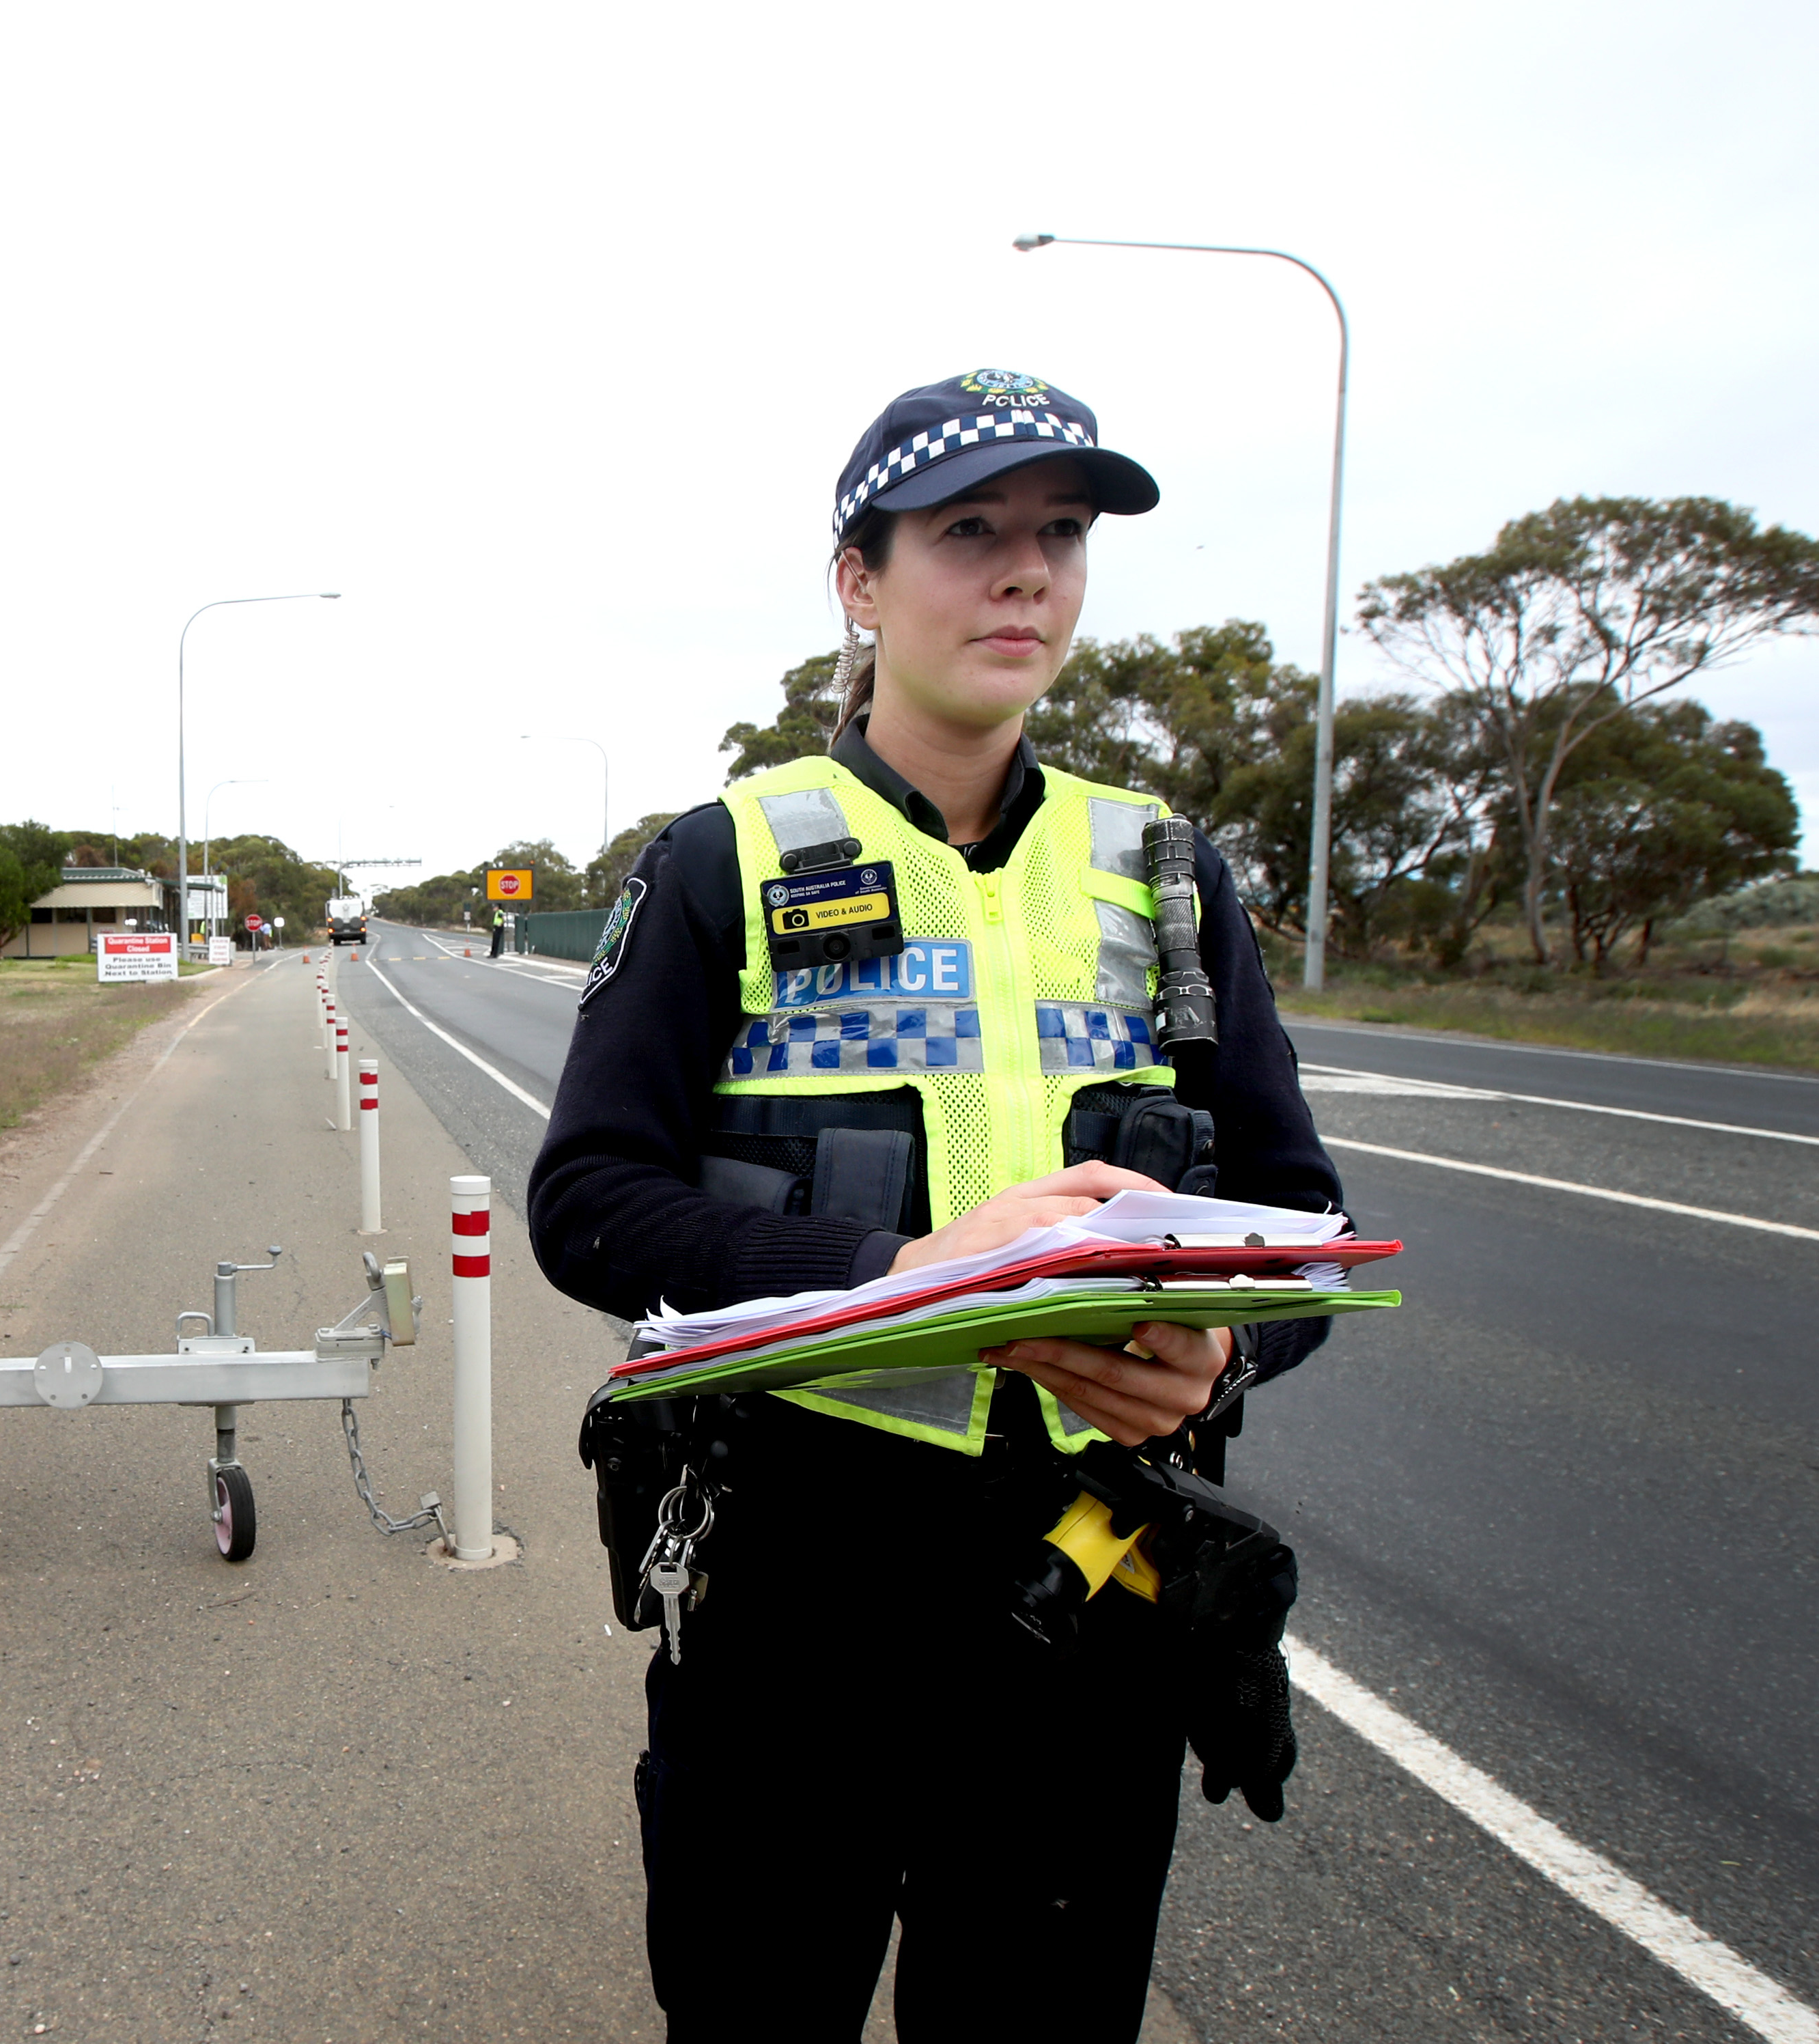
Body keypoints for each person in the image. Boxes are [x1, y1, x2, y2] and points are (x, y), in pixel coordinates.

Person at [527, 369, 1343, 2043]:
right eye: (968, 531)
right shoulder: (722, 858)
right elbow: (589, 1204)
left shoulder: (1167, 875)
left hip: (1086, 1601)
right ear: (858, 579)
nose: (1024, 573)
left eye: (1058, 536)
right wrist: (888, 1269)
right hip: (795, 1598)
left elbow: (1295, 1221)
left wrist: (1221, 1355)